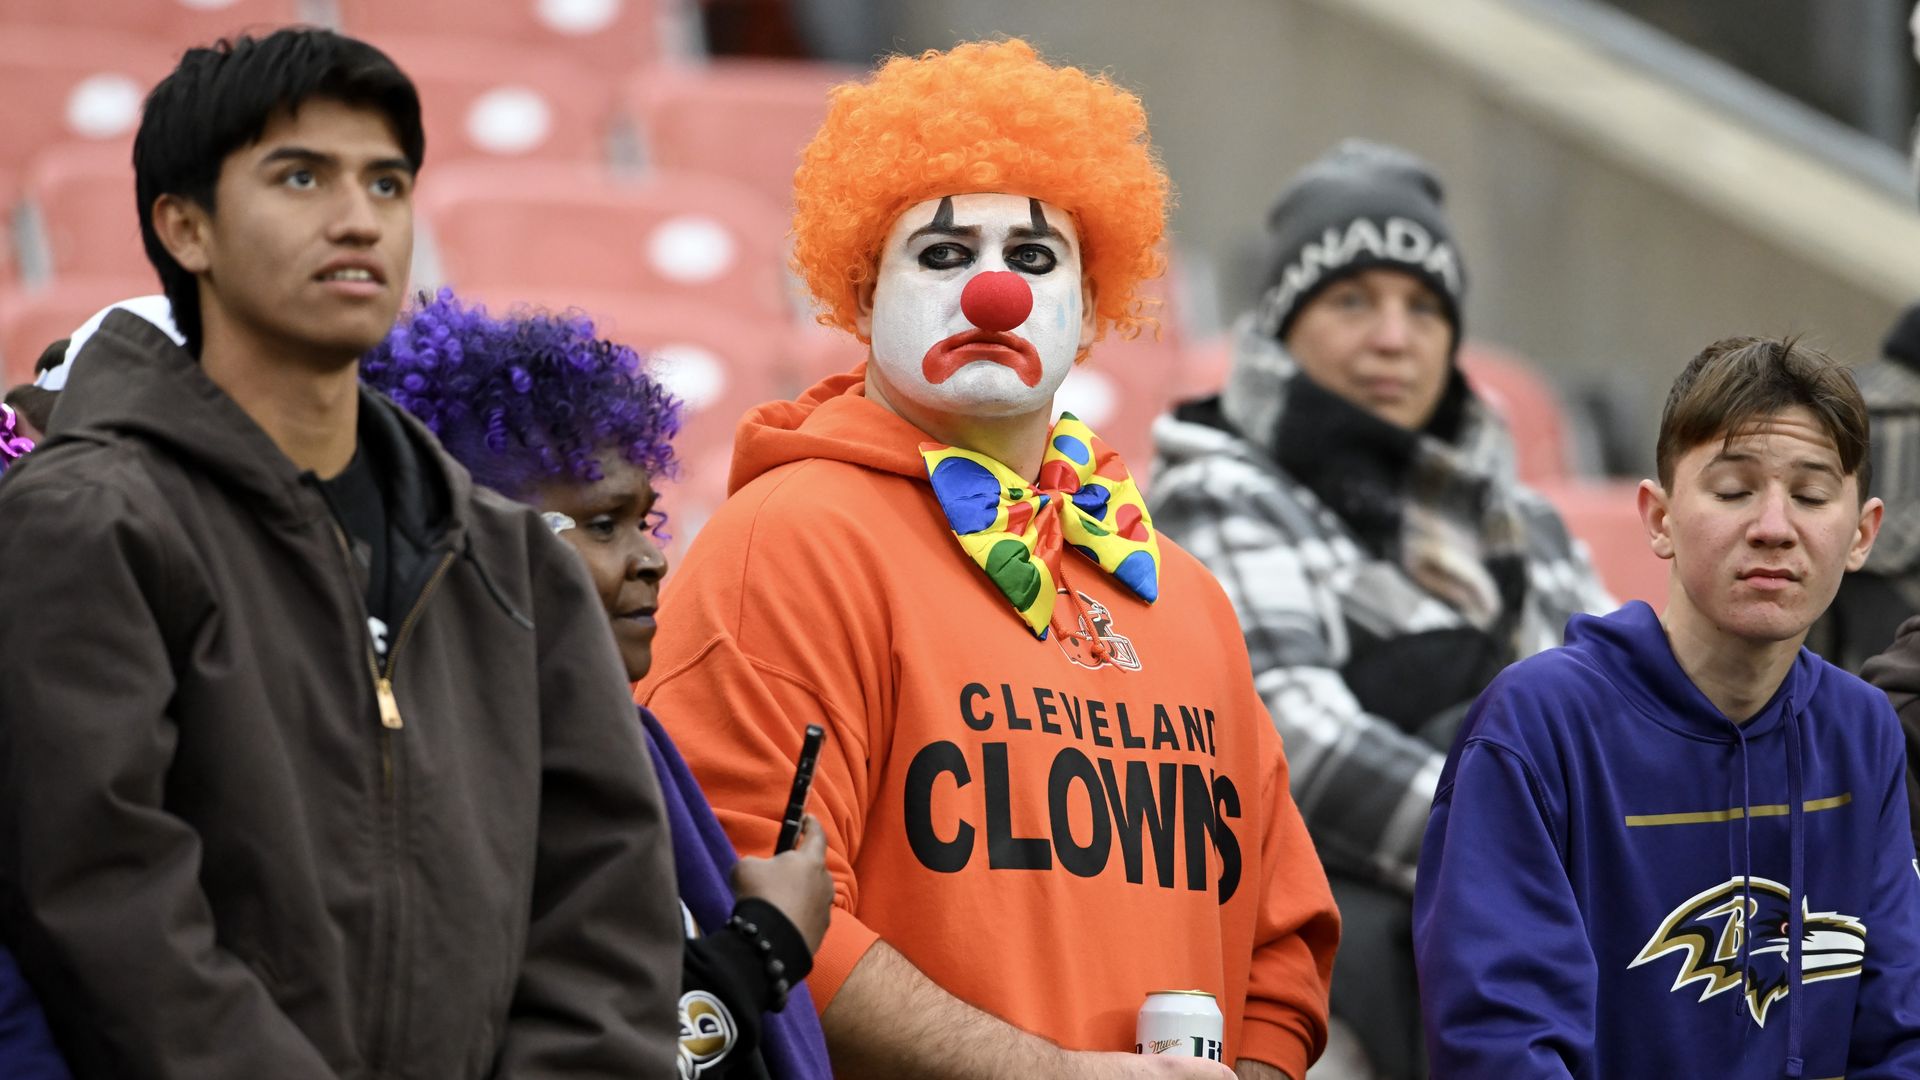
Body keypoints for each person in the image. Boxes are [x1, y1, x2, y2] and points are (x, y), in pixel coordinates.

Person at [639, 38, 1340, 1080]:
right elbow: (739, 908)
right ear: (862, 291)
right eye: (943, 254)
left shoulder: (1181, 595)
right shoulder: (785, 544)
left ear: (1093, 306)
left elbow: (1283, 944)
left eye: (1036, 258)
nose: (995, 294)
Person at [0, 29, 681, 1078]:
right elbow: (105, 900)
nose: (357, 216)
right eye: (301, 177)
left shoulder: (508, 555)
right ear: (185, 228)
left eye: (388, 182)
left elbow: (604, 916)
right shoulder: (86, 521)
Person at [1148, 139, 1610, 1079]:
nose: (1394, 337)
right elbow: (1291, 737)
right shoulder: (1219, 487)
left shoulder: (1517, 518)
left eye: (1424, 307)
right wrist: (1522, 851)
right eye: (1352, 300)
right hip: (1327, 949)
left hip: (1542, 917)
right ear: (1280, 327)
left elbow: (1623, 706)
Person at [361, 289, 837, 1079]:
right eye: (602, 523)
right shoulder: (440, 768)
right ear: (465, 532)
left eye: (645, 522)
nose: (652, 559)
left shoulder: (619, 736)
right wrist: (764, 948)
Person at [1414, 337, 1920, 1076]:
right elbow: (1504, 1044)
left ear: (1862, 534)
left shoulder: (1860, 728)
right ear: (1658, 519)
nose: (1774, 526)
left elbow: (1899, 1031)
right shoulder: (1539, 725)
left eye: (1810, 496)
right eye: (1732, 491)